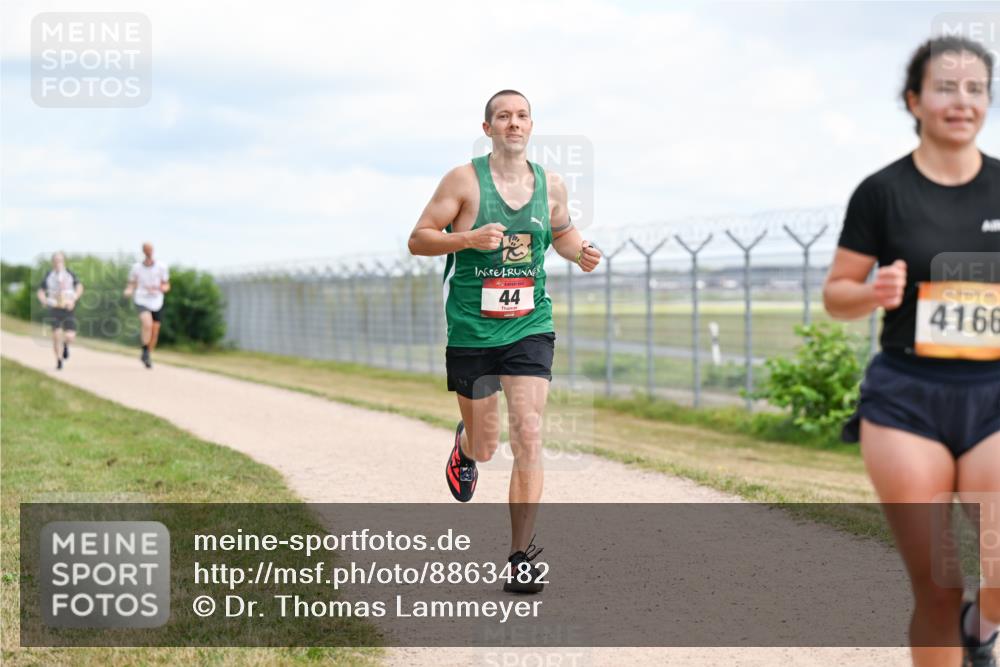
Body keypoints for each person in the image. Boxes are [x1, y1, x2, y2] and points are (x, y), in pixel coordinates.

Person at [824, 36, 999, 667]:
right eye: (946, 87)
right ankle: (958, 619)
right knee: (938, 585)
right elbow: (837, 294)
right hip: (907, 401)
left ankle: (981, 626)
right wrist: (872, 293)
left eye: (975, 88)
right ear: (914, 100)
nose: (962, 100)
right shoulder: (882, 192)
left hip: (994, 399)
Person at [408, 90, 601, 593]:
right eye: (503, 117)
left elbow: (560, 232)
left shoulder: (550, 184)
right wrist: (466, 239)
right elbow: (419, 238)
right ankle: (466, 447)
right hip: (472, 327)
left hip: (529, 325)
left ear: (531, 126)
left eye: (521, 116)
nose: (513, 124)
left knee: (530, 434)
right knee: (488, 445)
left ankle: (520, 555)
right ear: (488, 126)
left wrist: (580, 251)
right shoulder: (463, 181)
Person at [123, 243, 170, 369]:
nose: (148, 252)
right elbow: (131, 284)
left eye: (150, 250)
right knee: (147, 323)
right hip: (142, 299)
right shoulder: (136, 268)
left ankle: (147, 353)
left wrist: (161, 288)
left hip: (157, 301)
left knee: (154, 331)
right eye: (146, 250)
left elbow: (166, 284)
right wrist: (128, 290)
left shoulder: (161, 267)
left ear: (153, 251)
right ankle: (144, 350)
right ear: (143, 252)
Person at [36, 252, 83, 371]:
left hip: (68, 307)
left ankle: (66, 345)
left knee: (70, 336)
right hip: (54, 308)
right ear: (53, 262)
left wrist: (74, 299)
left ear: (64, 261)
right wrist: (43, 300)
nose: (58, 263)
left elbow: (79, 287)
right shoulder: (49, 275)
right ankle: (59, 360)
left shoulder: (70, 274)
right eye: (56, 261)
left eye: (60, 260)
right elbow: (41, 291)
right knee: (56, 335)